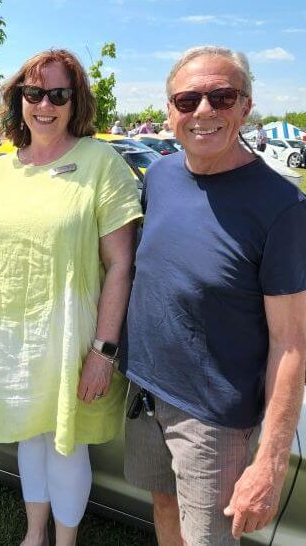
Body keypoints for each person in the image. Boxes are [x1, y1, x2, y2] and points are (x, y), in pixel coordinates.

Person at [120, 46, 306, 546]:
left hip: (213, 421)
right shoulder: (158, 177)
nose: (203, 111)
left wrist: (269, 460)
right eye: (187, 99)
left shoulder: (282, 206)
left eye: (221, 97)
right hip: (145, 392)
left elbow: (292, 343)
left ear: (245, 107)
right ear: (169, 111)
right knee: (163, 511)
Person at [0, 49, 142, 546]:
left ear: (74, 100)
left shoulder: (101, 163)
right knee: (30, 434)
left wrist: (103, 351)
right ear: (18, 98)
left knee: (65, 444)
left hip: (72, 337)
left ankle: (65, 541)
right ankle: (33, 534)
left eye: (58, 94)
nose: (45, 104)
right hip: (10, 339)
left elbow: (121, 265)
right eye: (34, 93)